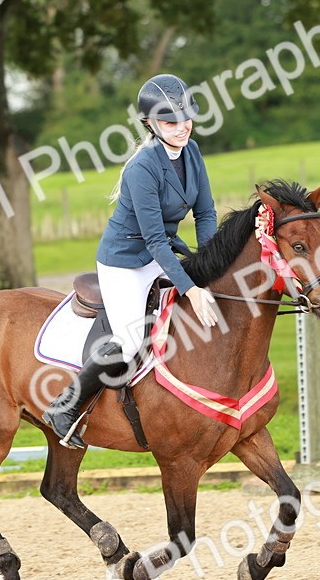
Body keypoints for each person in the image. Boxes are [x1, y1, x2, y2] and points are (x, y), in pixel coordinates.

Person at [42, 73, 220, 448]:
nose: (181, 127)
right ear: (150, 124)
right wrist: (192, 287)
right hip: (125, 261)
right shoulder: (142, 167)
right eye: (170, 122)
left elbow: (205, 214)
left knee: (183, 318)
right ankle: (64, 406)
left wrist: (210, 265)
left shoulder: (193, 152)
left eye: (185, 118)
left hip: (161, 252)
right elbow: (154, 240)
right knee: (127, 341)